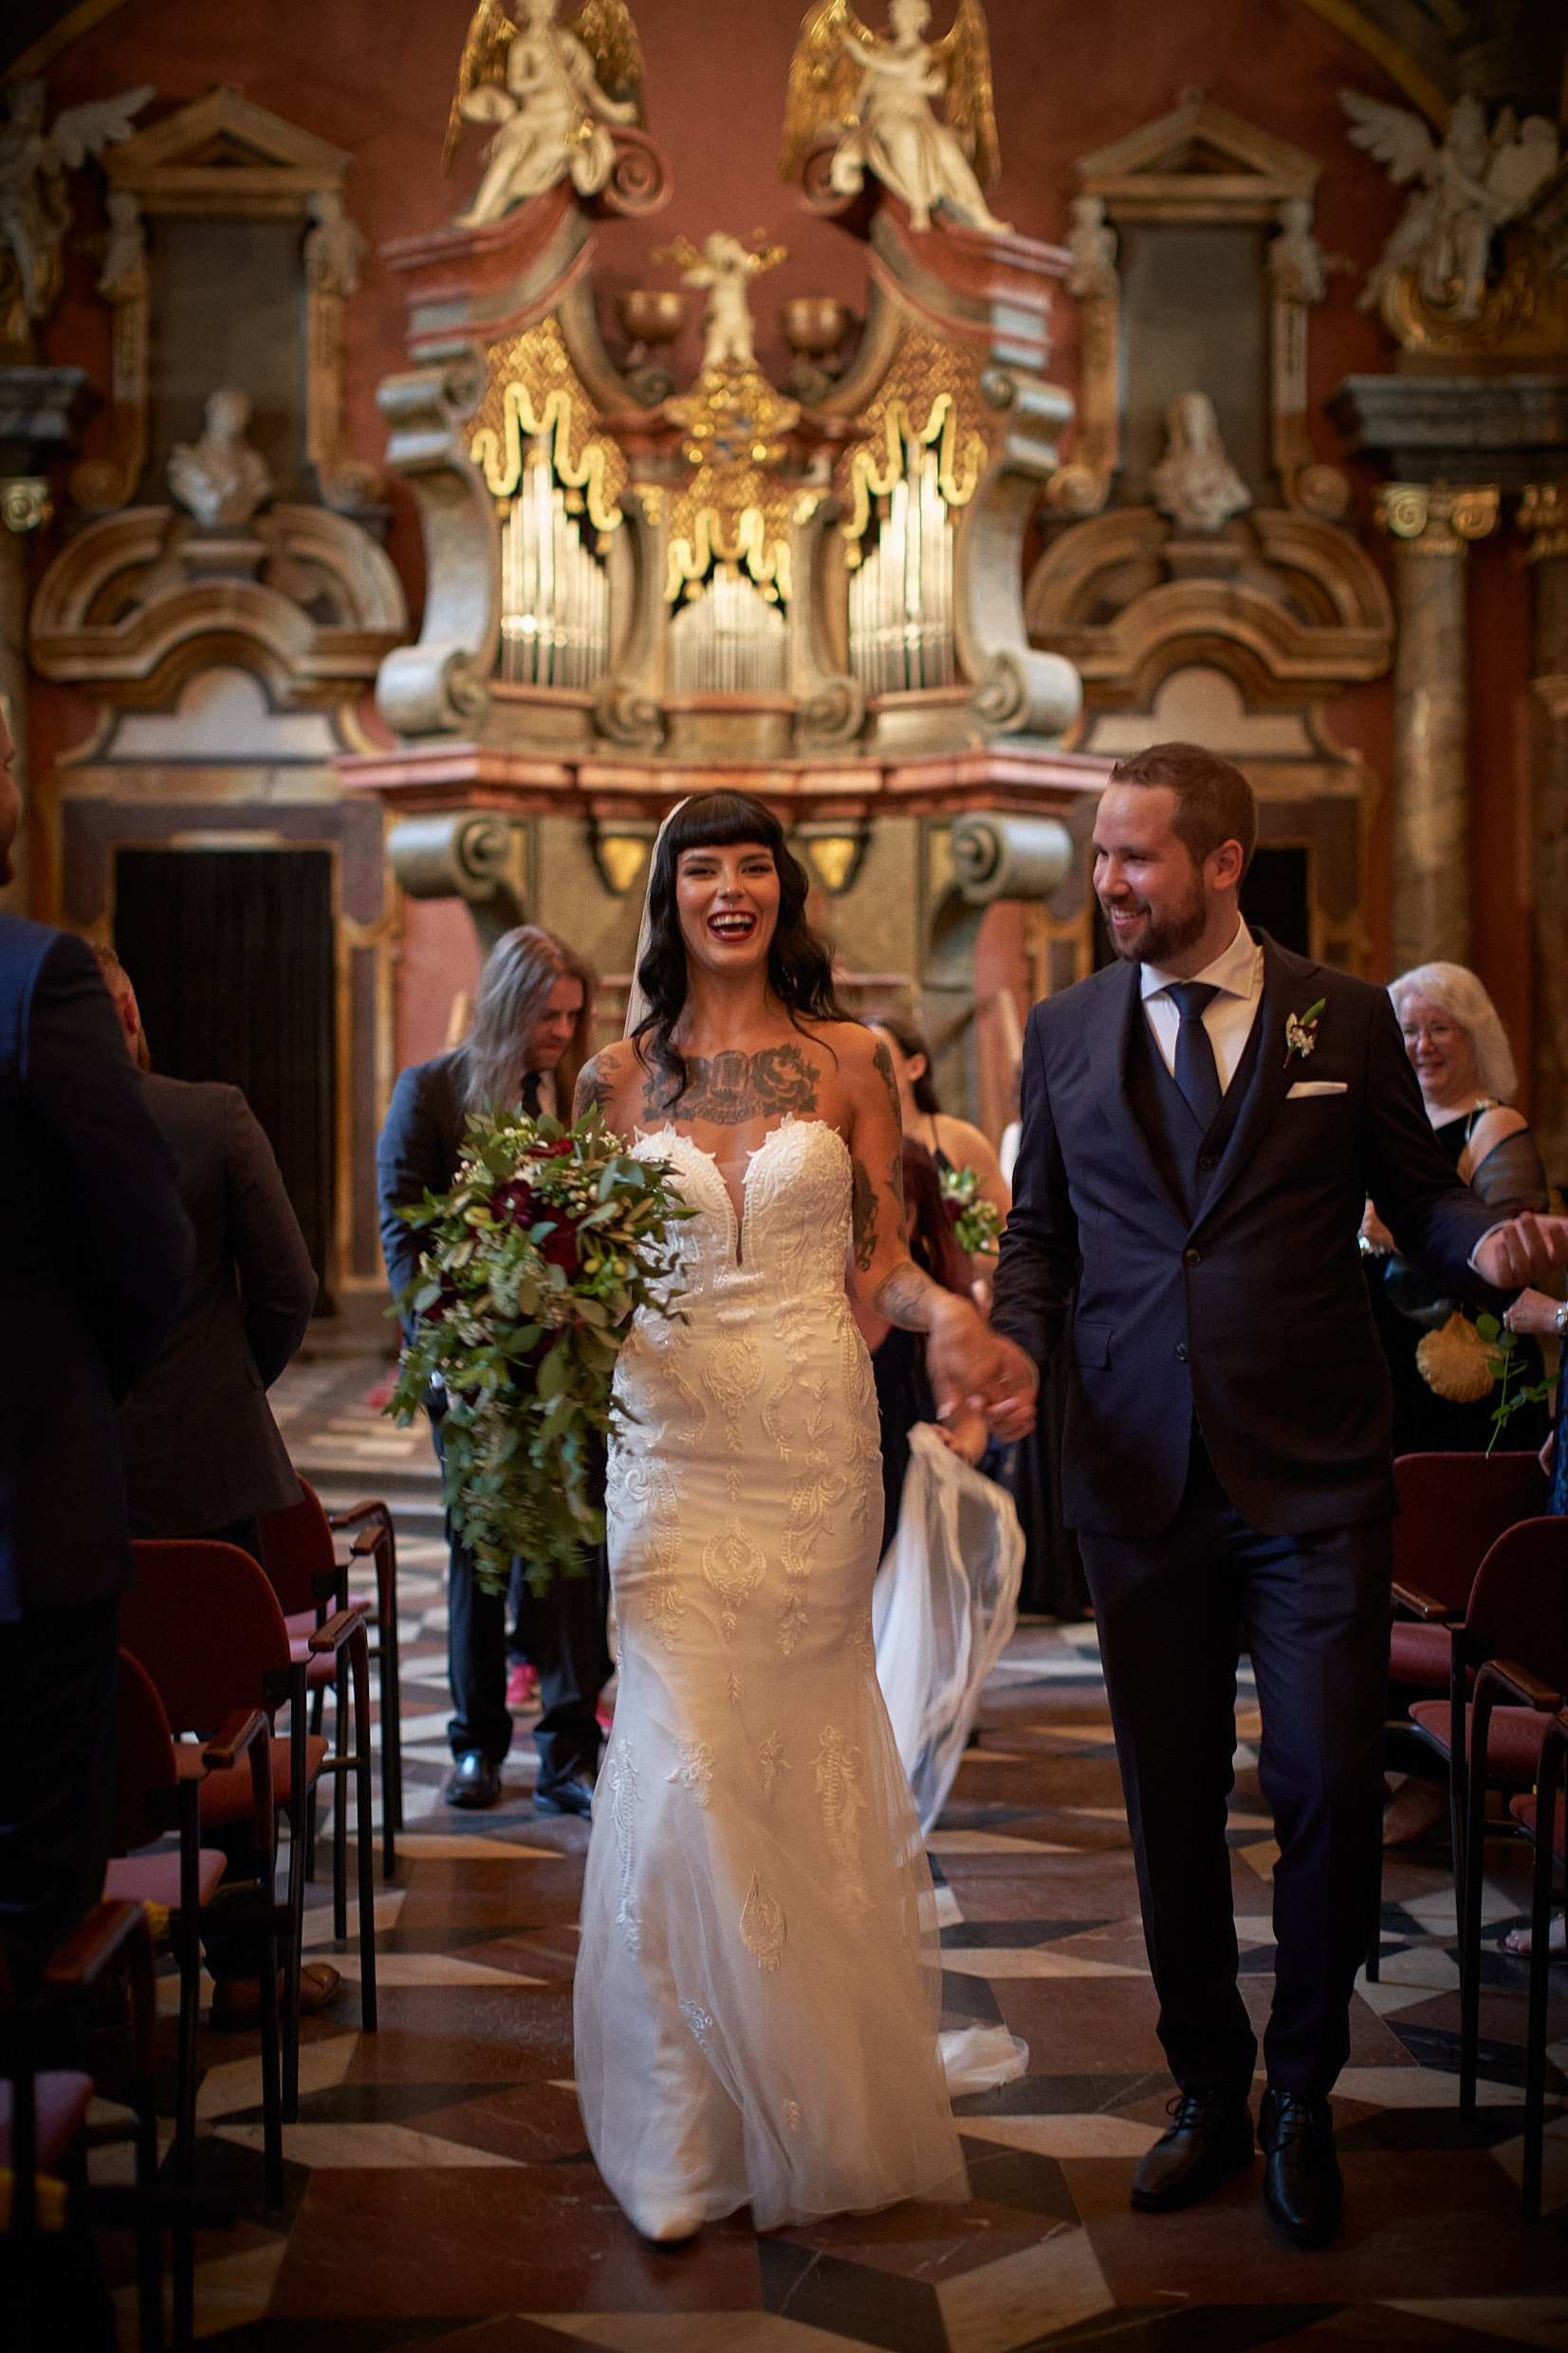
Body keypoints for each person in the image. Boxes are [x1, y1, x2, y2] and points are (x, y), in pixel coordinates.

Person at [988, 740, 1568, 2252]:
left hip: (1311, 1472)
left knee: (1318, 1781)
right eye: (1101, 855)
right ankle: (1203, 2085)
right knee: (1168, 1799)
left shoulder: (1344, 1014)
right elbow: (1040, 1239)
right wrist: (1004, 1348)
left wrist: (1482, 1251)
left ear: (1221, 862)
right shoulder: (1060, 1032)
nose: (1107, 883)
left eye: (1134, 857)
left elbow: (1422, 1197)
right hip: (1134, 1471)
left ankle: (1304, 2092)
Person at [570, 789, 1034, 2243]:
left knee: (789, 1762)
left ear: (784, 893)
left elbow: (878, 1263)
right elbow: (584, 1283)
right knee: (681, 1765)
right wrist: (513, 1311)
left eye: (751, 868)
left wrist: (947, 1316)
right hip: (666, 1453)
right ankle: (682, 2128)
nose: (728, 891)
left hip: (809, 1445)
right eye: (700, 868)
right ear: (668, 894)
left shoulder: (851, 1060)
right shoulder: (610, 1082)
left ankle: (810, 2086)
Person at [0, 698, 193, 1993]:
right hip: (23, 1519)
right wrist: (81, 1389)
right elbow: (147, 1248)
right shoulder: (37, 978)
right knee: (32, 1897)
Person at [378, 923, 610, 1817]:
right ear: (509, 1003)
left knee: (573, 1555)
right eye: (548, 1014)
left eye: (572, 1015)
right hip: (471, 1364)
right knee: (482, 1551)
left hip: (569, 1368)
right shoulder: (431, 1092)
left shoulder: (579, 1099)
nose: (560, 1030)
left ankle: (568, 1752)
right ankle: (476, 1747)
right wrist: (443, 1346)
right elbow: (403, 1229)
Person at [97, 947, 318, 1557]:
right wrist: (228, 1382)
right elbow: (290, 1288)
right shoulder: (213, 1115)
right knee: (219, 1641)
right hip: (210, 1469)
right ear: (128, 1012)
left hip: (63, 1477)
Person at [1362, 962, 1554, 1458]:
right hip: (1385, 1367)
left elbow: (1514, 1270)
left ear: (1476, 1036)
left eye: (1439, 1028)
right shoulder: (1388, 1122)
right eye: (1409, 1031)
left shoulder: (1493, 1125)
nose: (1422, 1046)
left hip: (1469, 1377)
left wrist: (1396, 1234)